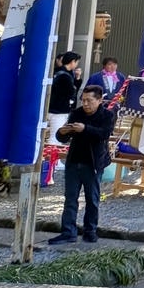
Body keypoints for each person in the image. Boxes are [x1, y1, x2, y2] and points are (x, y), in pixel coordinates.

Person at [49, 85, 115, 245]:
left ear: (99, 100)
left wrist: (85, 129)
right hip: (74, 160)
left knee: (92, 199)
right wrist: (62, 132)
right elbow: (63, 138)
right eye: (83, 100)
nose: (85, 104)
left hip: (93, 162)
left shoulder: (107, 115)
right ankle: (68, 231)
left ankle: (90, 230)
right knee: (70, 198)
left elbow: (104, 134)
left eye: (89, 100)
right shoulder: (77, 113)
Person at [48, 52, 80, 143]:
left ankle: (52, 156)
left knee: (54, 135)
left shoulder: (57, 72)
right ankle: (52, 157)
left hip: (51, 108)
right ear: (73, 61)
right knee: (56, 137)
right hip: (59, 110)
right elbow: (72, 92)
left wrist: (77, 79)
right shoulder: (64, 76)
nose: (77, 64)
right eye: (76, 62)